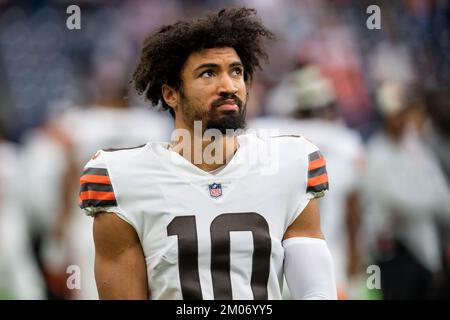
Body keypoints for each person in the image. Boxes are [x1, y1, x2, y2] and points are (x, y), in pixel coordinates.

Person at [79, 7, 337, 300]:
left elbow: (316, 292)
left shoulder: (289, 162)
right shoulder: (124, 179)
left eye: (236, 71)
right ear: (171, 93)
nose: (228, 86)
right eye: (208, 73)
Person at [250, 64, 366, 299]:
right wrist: (355, 260)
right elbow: (353, 215)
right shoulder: (346, 143)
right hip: (329, 259)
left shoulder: (262, 134)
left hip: (272, 263)